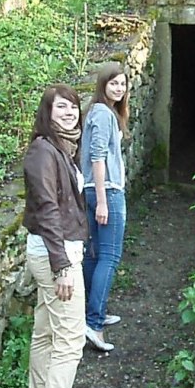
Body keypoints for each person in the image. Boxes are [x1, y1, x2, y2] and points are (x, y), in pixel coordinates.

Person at [23, 84, 88, 388]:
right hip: (57, 255)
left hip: (52, 252)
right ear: (47, 112)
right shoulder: (43, 151)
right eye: (61, 106)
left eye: (73, 106)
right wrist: (62, 266)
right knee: (71, 340)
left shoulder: (61, 148)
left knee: (47, 332)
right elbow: (47, 208)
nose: (69, 112)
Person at [81, 62, 129, 352]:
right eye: (114, 83)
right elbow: (97, 157)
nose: (119, 88)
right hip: (106, 191)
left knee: (95, 255)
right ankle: (94, 322)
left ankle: (92, 312)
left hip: (95, 190)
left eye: (123, 84)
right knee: (109, 257)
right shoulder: (101, 112)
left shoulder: (103, 112)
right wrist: (101, 200)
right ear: (103, 84)